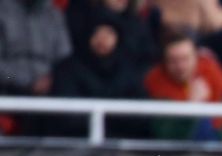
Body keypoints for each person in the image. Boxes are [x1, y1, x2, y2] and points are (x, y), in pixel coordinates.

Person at [50, 7, 151, 139]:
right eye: (97, 32)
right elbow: (66, 115)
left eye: (109, 33)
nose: (102, 39)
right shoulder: (68, 69)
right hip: (77, 143)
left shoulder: (129, 71)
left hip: (122, 144)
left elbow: (139, 114)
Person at [144, 32, 222, 141]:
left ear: (196, 57)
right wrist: (192, 107)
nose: (180, 66)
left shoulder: (214, 74)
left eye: (185, 59)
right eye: (173, 61)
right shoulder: (155, 83)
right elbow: (164, 133)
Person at [0, 0, 71, 135]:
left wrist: (52, 80)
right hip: (8, 91)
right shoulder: (2, 12)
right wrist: (27, 81)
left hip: (50, 92)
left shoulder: (54, 15)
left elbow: (65, 59)